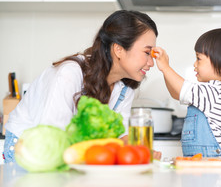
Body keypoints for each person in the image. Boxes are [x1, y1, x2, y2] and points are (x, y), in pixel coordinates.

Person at [4, 10, 161, 163]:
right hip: (30, 151)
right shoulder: (69, 73)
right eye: (147, 53)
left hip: (70, 154)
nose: (151, 63)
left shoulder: (125, 87)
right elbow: (54, 134)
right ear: (118, 49)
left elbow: (120, 137)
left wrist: (142, 152)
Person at [153, 28, 221, 157]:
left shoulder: (215, 92)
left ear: (220, 63)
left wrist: (165, 67)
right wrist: (164, 70)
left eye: (199, 58)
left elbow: (182, 89)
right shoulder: (210, 90)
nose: (195, 64)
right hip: (202, 164)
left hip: (212, 165)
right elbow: (176, 93)